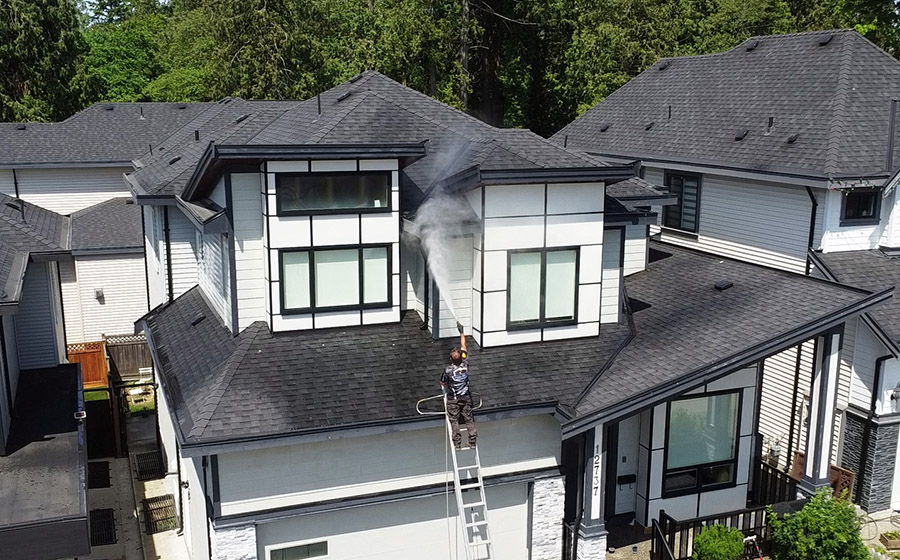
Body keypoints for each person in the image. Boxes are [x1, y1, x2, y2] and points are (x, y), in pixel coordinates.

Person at [441, 322, 477, 450]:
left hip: (453, 400)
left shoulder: (448, 370)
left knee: (454, 421)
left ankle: (457, 445)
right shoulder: (465, 363)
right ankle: (472, 442)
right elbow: (464, 346)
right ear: (461, 358)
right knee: (469, 419)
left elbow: (443, 382)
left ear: (451, 359)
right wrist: (462, 332)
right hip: (466, 398)